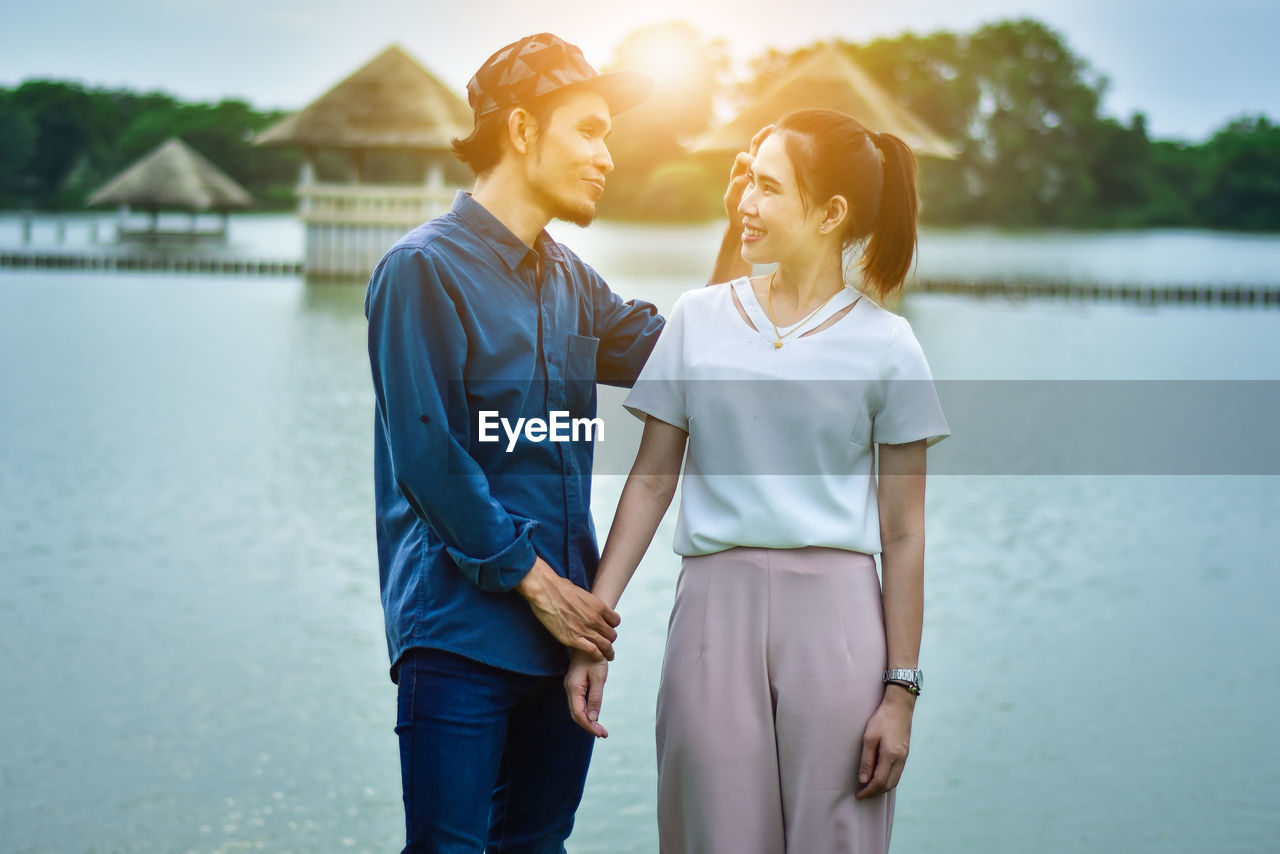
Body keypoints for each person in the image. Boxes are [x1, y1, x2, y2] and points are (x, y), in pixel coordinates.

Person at [364, 33, 746, 854]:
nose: (606, 156)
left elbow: (689, 356)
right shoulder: (420, 271)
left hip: (567, 641)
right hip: (459, 633)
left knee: (537, 847)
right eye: (589, 130)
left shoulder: (572, 280)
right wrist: (536, 584)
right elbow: (429, 459)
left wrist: (738, 233)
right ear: (523, 131)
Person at [564, 108, 952, 854]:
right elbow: (650, 484)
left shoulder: (889, 345)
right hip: (712, 612)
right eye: (747, 181)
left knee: (835, 838)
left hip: (839, 623)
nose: (744, 201)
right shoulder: (697, 318)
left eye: (768, 187)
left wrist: (900, 691)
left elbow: (904, 532)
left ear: (832, 213)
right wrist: (593, 631)